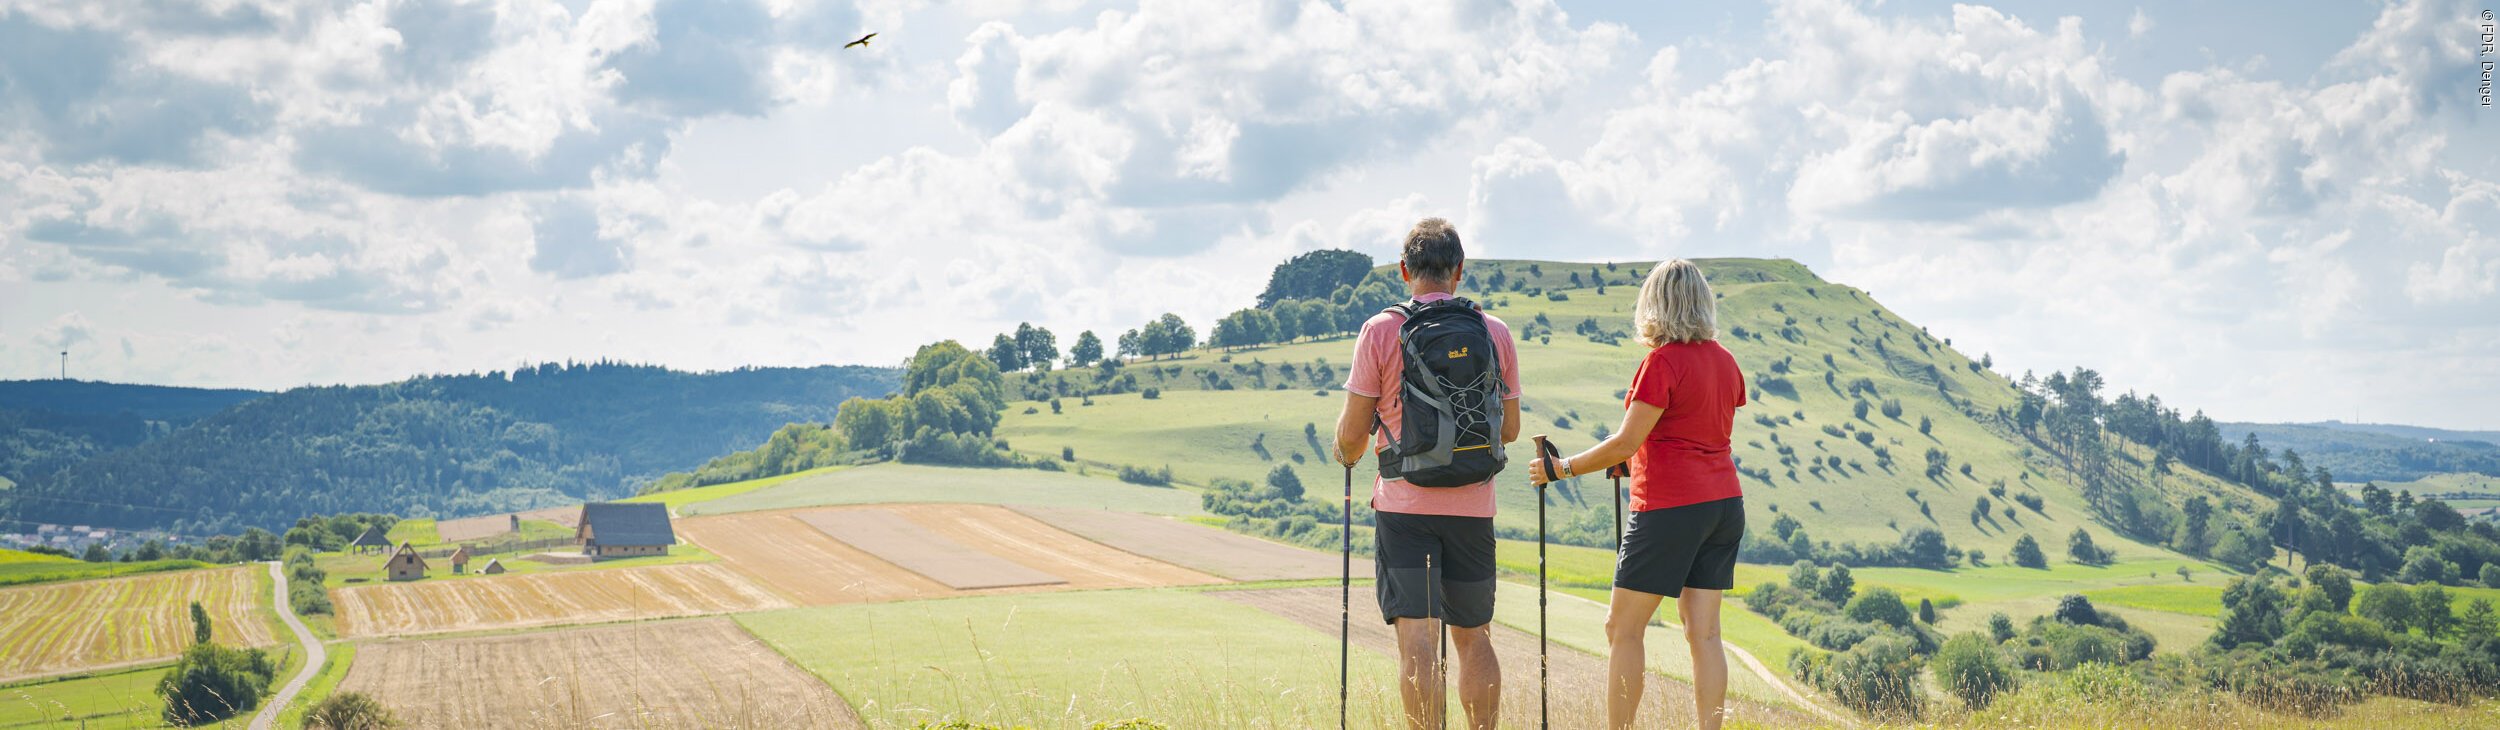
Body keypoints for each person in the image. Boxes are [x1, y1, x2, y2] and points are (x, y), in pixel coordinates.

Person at [1529, 259, 1746, 730]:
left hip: (1670, 508)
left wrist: (1559, 469)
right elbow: (1696, 431)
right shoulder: (1725, 360)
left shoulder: (1662, 361)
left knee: (1622, 628)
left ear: (1654, 305)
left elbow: (1628, 440)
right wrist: (1641, 458)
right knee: (1704, 633)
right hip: (1725, 504)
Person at [1333, 218, 1524, 730]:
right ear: (1459, 271)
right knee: (1474, 635)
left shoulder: (1380, 330)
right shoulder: (1494, 332)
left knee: (1417, 637)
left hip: (1404, 508)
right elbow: (1508, 430)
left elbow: (1353, 433)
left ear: (1404, 270)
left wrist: (1346, 453)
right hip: (1473, 507)